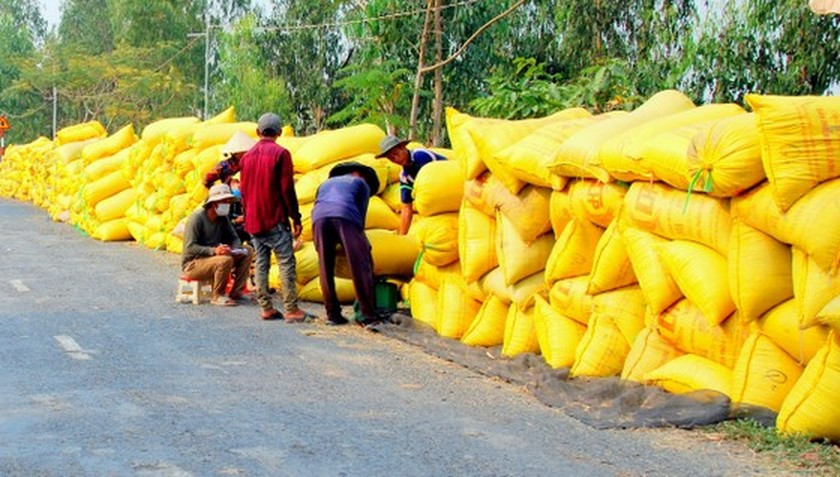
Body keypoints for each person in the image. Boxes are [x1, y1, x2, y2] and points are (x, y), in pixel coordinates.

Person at [239, 112, 312, 322]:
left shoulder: (246, 157)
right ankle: (291, 309)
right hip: (275, 218)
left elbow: (244, 192)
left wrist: (247, 216)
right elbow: (287, 189)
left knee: (261, 262)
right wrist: (295, 218)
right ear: (279, 132)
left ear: (257, 132)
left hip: (254, 220)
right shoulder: (281, 154)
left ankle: (266, 307)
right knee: (286, 262)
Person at [311, 161, 381, 328]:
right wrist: (360, 242)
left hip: (318, 219)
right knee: (360, 266)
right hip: (345, 215)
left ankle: (332, 315)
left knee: (325, 267)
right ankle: (368, 316)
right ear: (358, 173)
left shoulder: (325, 184)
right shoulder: (361, 183)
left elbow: (319, 204)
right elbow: (360, 215)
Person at [181, 183, 252, 306]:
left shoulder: (222, 218)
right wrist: (214, 251)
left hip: (214, 258)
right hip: (193, 264)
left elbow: (234, 237)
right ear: (214, 203)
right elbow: (190, 247)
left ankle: (237, 291)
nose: (228, 205)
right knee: (225, 260)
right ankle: (217, 295)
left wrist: (235, 249)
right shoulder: (197, 218)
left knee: (248, 250)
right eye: (225, 202)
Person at [376, 135, 446, 235]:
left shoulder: (420, 155)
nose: (395, 159)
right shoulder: (405, 176)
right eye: (391, 158)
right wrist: (402, 236)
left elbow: (438, 176)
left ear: (402, 147)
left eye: (396, 153)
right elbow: (406, 208)